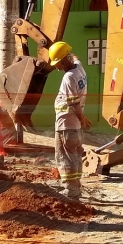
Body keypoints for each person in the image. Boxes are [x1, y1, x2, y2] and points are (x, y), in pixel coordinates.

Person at [49, 42, 91, 200]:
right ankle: (76, 186)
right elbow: (75, 57)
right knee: (75, 155)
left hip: (66, 125)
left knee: (65, 157)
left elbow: (73, 104)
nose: (57, 67)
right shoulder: (79, 68)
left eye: (58, 63)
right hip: (75, 126)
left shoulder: (69, 78)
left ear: (65, 60)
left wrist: (82, 118)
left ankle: (70, 190)